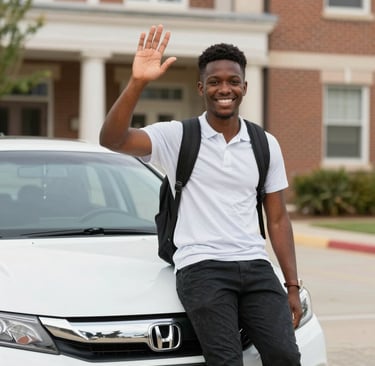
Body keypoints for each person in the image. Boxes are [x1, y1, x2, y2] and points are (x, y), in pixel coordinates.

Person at [100, 24, 302, 366]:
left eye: (233, 81)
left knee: (285, 355)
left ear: (244, 87)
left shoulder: (265, 143)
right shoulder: (177, 136)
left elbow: (278, 218)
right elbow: (113, 139)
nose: (225, 88)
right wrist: (137, 82)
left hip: (255, 264)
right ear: (201, 88)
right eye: (215, 82)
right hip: (202, 266)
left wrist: (292, 285)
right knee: (226, 360)